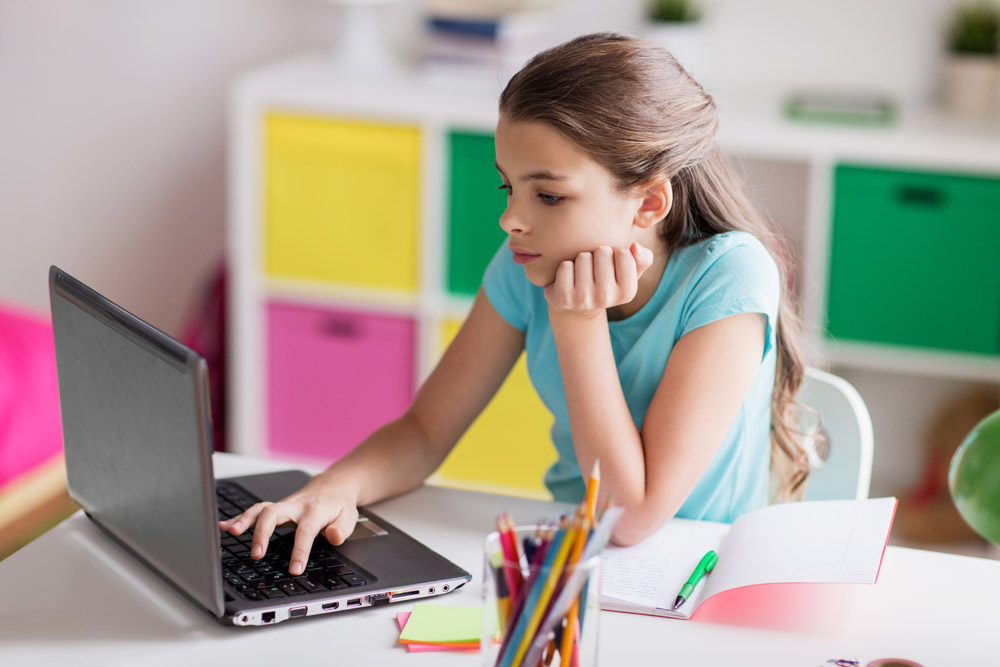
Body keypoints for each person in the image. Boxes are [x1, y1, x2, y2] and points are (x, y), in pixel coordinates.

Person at [220, 31, 809, 576]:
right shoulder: (524, 264)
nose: (511, 220)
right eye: (509, 186)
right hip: (575, 562)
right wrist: (335, 486)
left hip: (689, 573)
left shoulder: (728, 277)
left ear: (650, 204)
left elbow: (631, 518)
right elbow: (427, 430)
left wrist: (577, 321)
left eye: (549, 195)